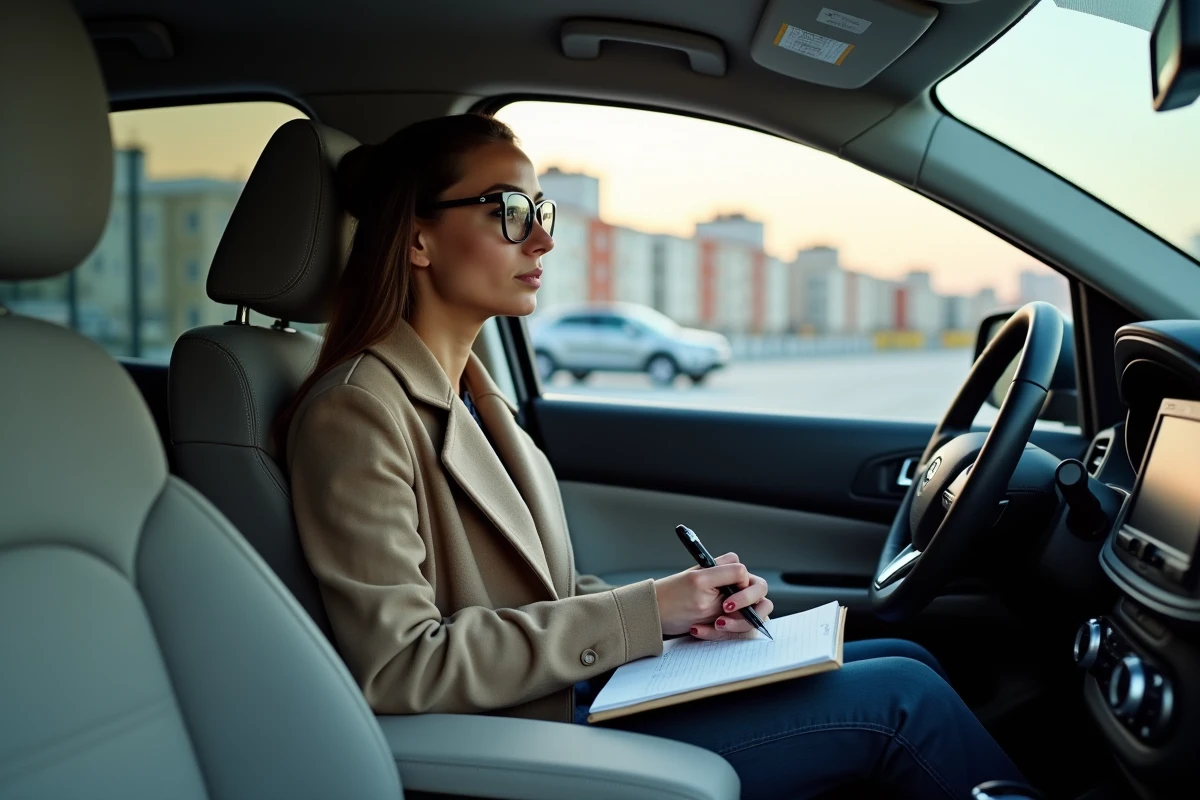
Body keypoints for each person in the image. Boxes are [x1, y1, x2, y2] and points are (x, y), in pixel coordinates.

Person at [280, 113, 1026, 799]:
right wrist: (645, 611)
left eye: (542, 213)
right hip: (533, 736)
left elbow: (549, 591)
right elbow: (398, 665)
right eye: (509, 212)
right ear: (417, 239)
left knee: (908, 656)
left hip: (570, 696)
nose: (541, 240)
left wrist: (681, 616)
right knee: (905, 697)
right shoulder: (357, 410)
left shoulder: (478, 394)